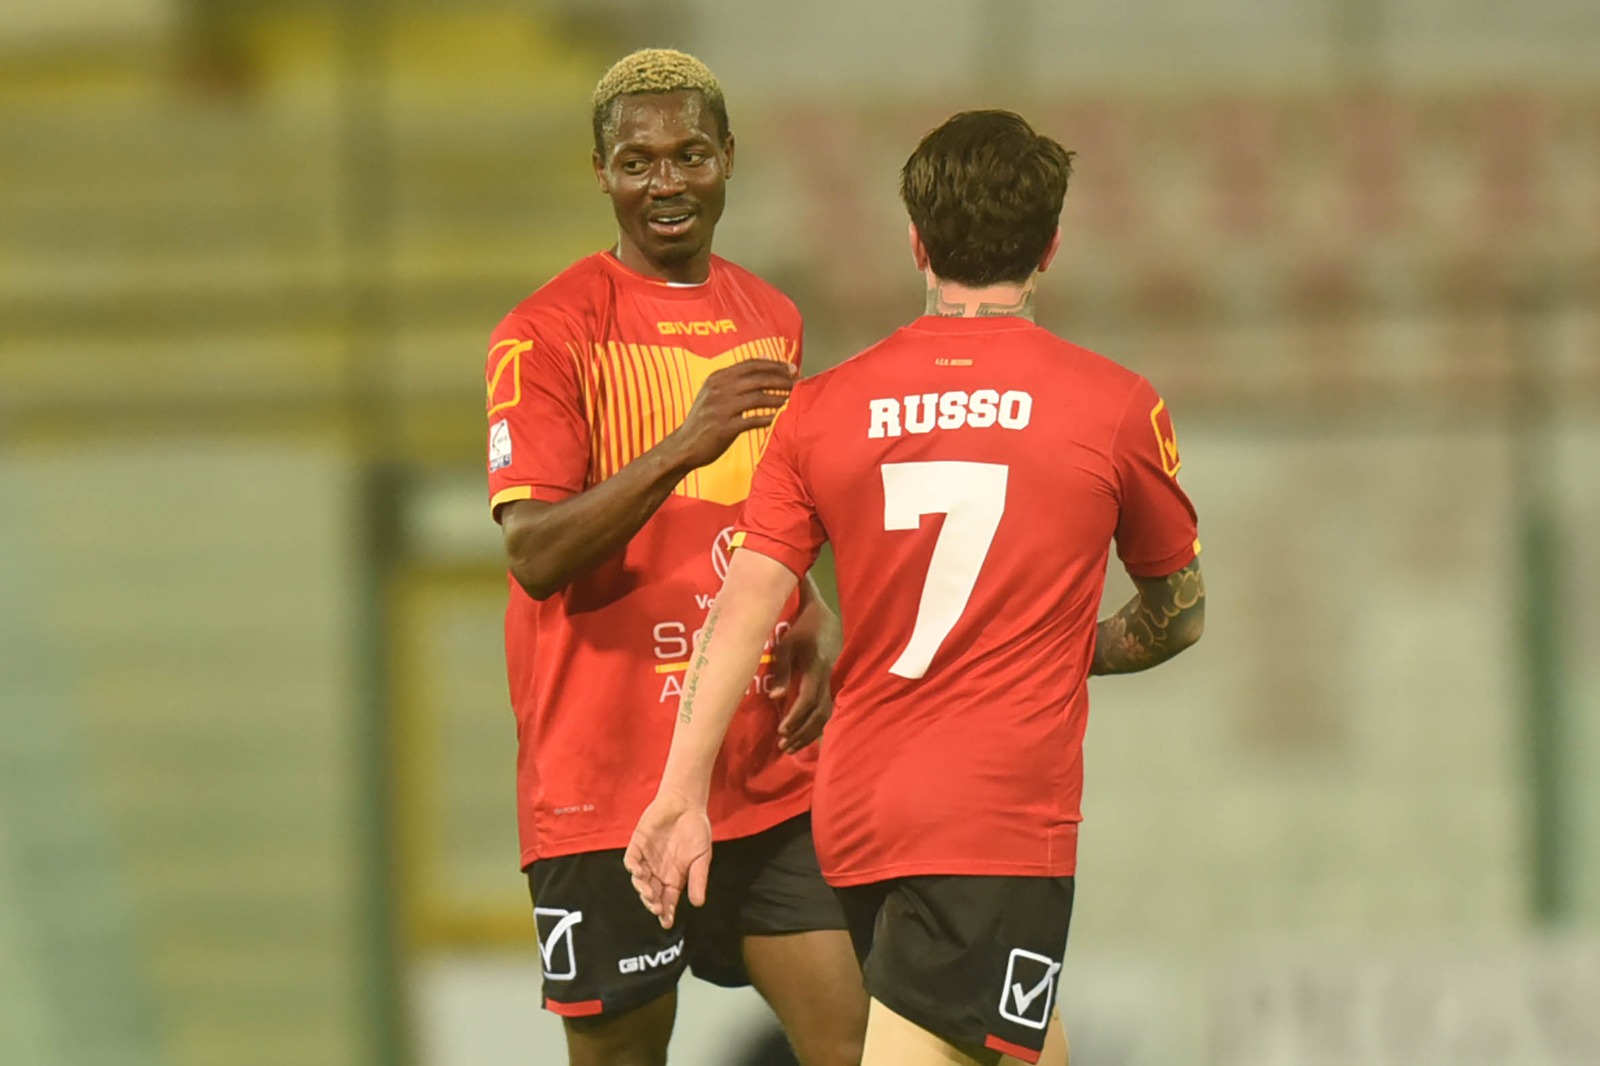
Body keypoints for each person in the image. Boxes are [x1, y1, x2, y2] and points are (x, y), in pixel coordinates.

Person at [625, 110, 1206, 1066]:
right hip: (992, 818)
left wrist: (682, 788)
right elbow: (1178, 614)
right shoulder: (1114, 406)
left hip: (858, 810)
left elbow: (745, 603)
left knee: (1014, 1045)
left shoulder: (822, 408)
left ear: (916, 242)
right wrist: (1069, 645)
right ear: (1051, 246)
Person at [484, 48, 866, 1066]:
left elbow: (765, 514)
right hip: (604, 784)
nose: (666, 183)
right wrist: (680, 444)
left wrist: (810, 603)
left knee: (857, 1040)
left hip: (759, 769)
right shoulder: (545, 333)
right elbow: (533, 552)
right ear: (600, 173)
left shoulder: (772, 319)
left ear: (728, 156)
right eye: (637, 161)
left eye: (689, 155)